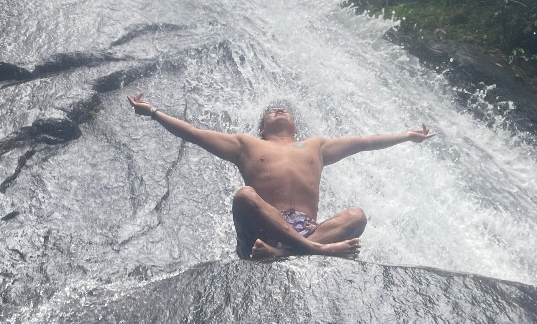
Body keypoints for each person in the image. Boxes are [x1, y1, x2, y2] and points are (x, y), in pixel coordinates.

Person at [127, 95, 432, 262]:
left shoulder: (317, 146)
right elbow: (193, 133)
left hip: (307, 230)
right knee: (244, 196)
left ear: (295, 126)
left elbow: (365, 141)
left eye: (283, 110)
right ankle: (313, 251)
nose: (279, 110)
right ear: (262, 127)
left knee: (357, 215)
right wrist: (152, 111)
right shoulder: (245, 144)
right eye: (272, 112)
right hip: (263, 228)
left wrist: (406, 136)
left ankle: (287, 252)